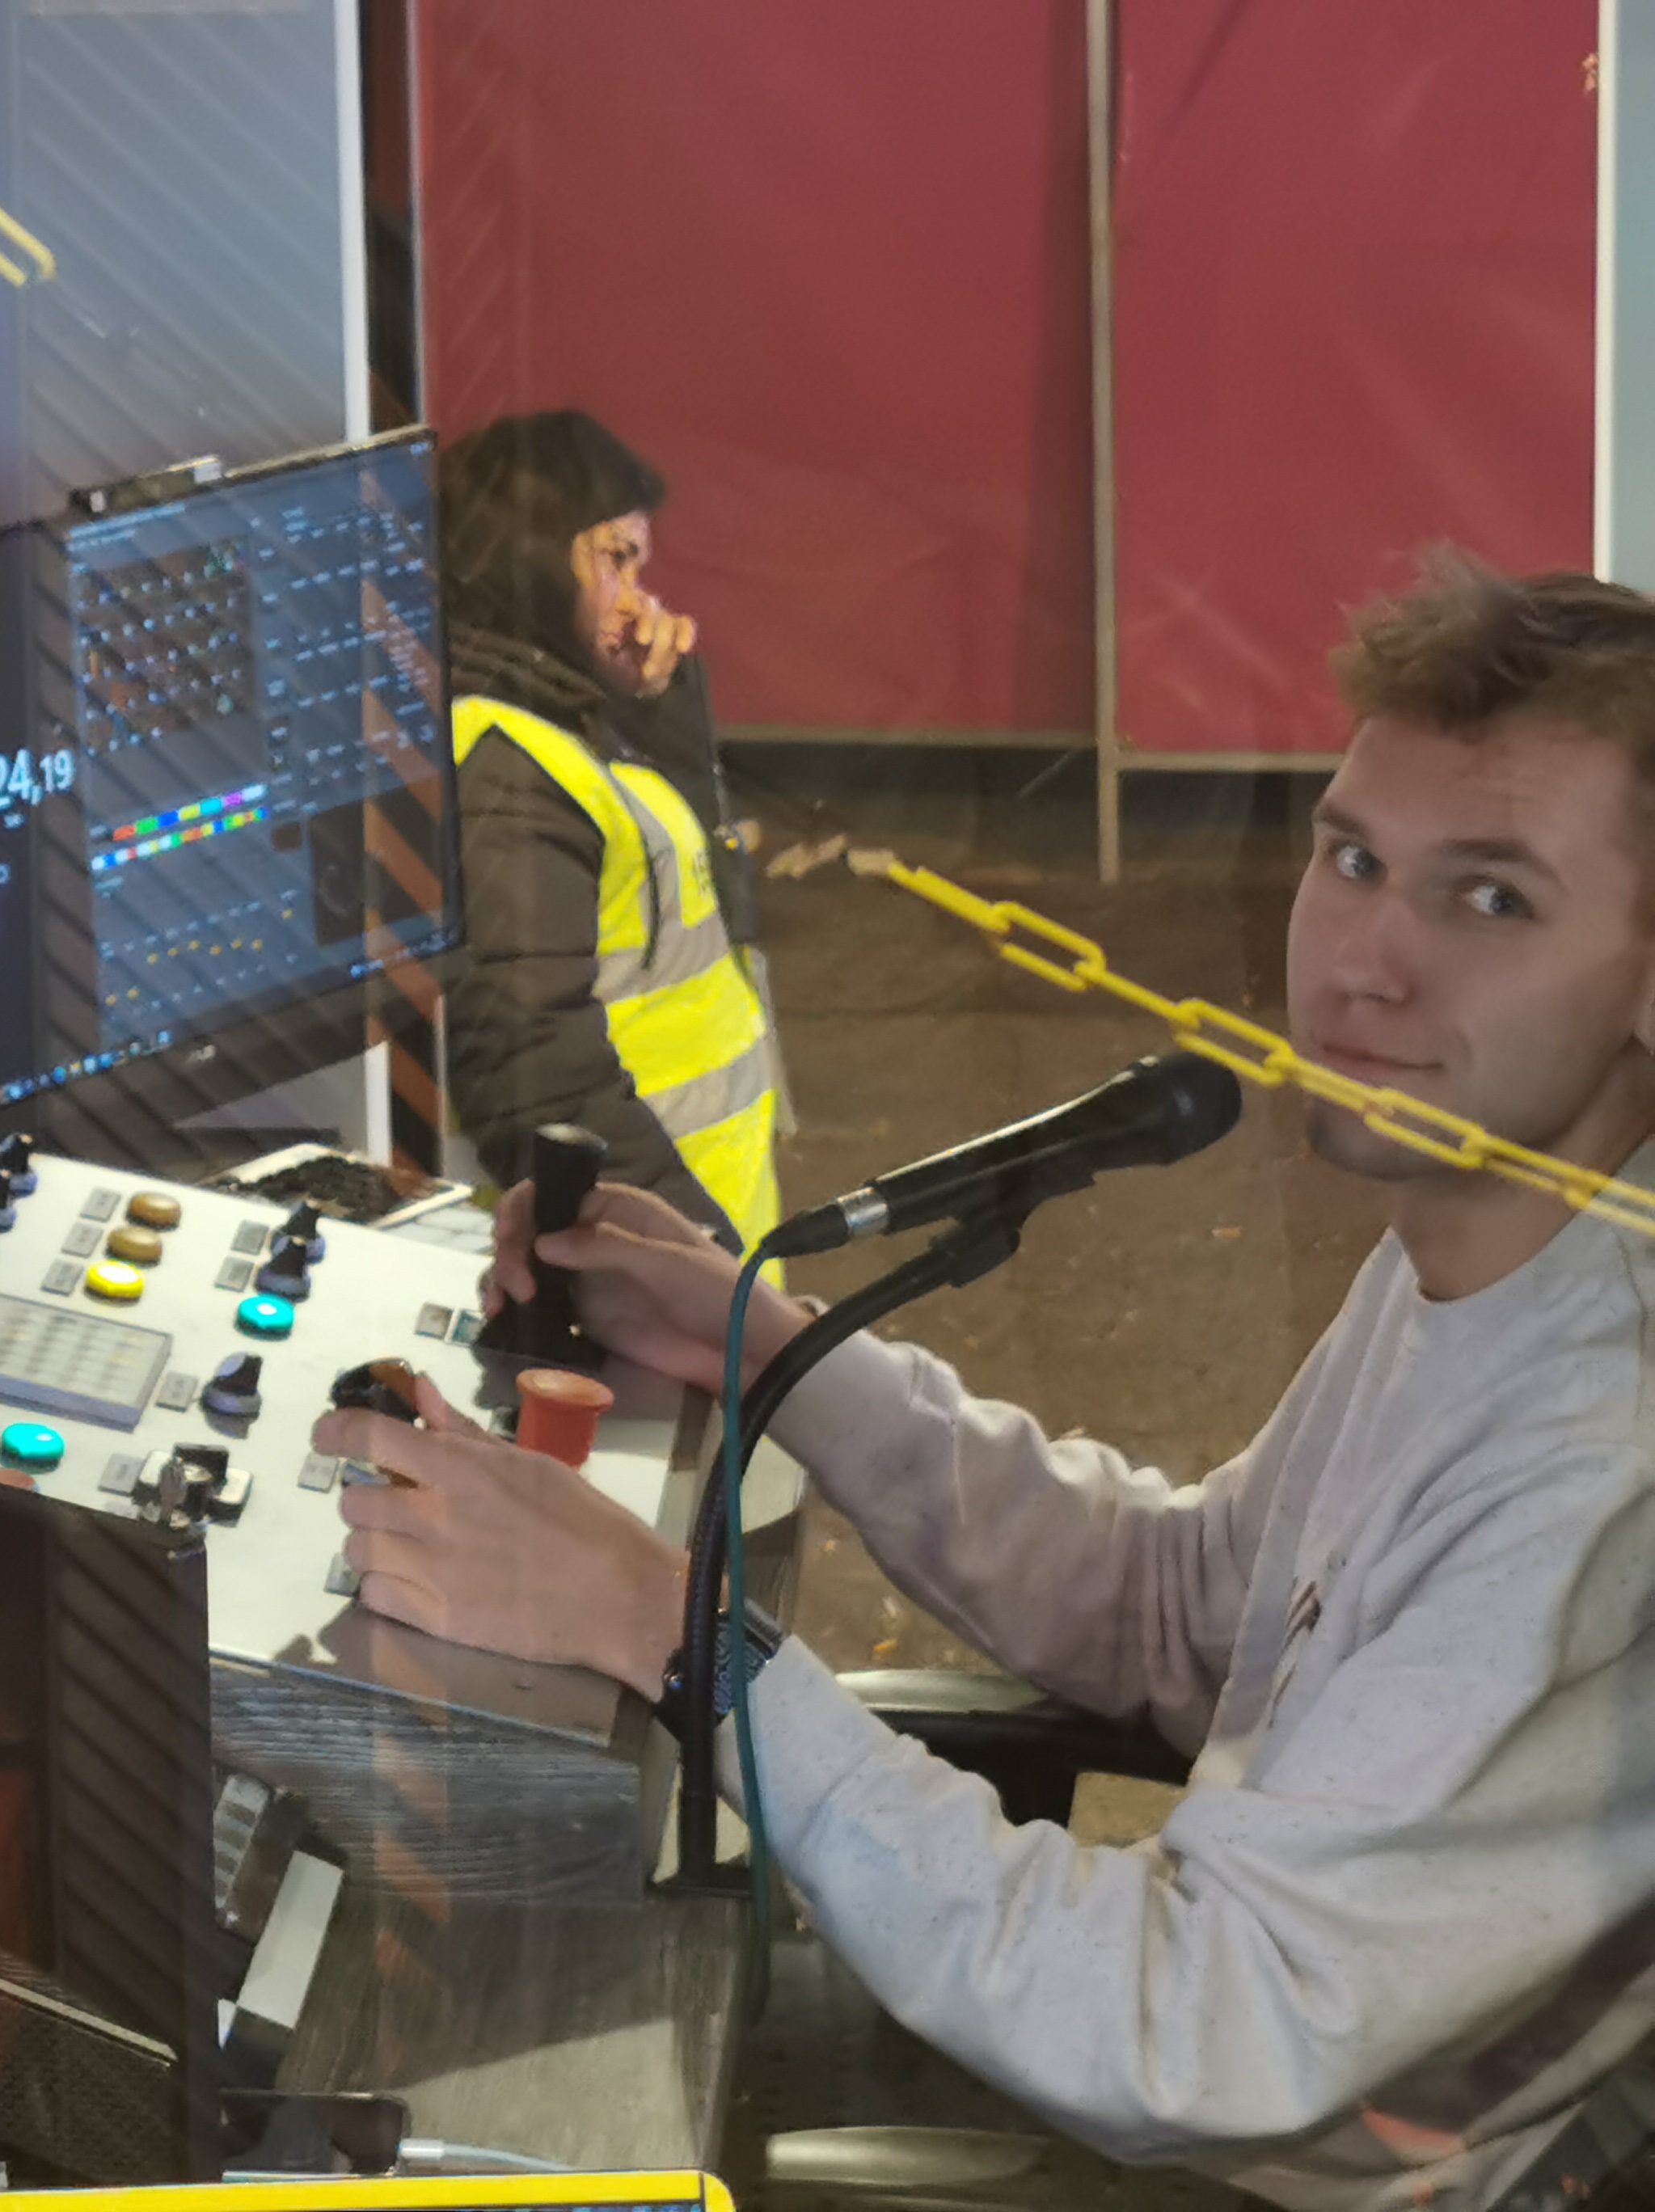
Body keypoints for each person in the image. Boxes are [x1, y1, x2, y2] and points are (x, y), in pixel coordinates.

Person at [318, 555, 1655, 2211]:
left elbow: (1190, 2028)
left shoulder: (1597, 1450)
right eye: (1355, 858)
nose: (1365, 963)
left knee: (474, 2123)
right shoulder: (1490, 1247)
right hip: (1192, 2068)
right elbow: (1180, 1613)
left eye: (1492, 899)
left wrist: (671, 1633)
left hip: (1249, 2165)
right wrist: (774, 1348)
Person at [439, 411, 783, 1250]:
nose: (640, 603)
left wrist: (653, 712)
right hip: (638, 1269)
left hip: (689, 1254)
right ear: (526, 560)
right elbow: (531, 1073)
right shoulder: (504, 764)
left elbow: (709, 913)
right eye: (615, 560)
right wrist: (692, 1258)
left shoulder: (569, 717)